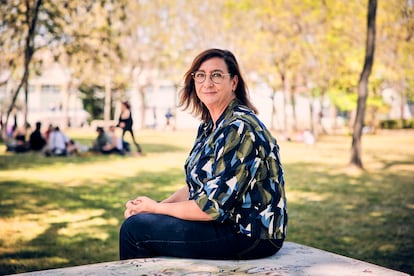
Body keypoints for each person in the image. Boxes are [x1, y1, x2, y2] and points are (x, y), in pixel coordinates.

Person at [119, 49, 288, 260]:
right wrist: (155, 208)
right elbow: (197, 187)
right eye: (200, 75)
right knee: (143, 221)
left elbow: (210, 208)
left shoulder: (239, 127)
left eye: (216, 75)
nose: (207, 82)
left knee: (135, 230)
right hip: (223, 223)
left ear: (233, 82)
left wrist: (154, 209)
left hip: (251, 233)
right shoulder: (210, 127)